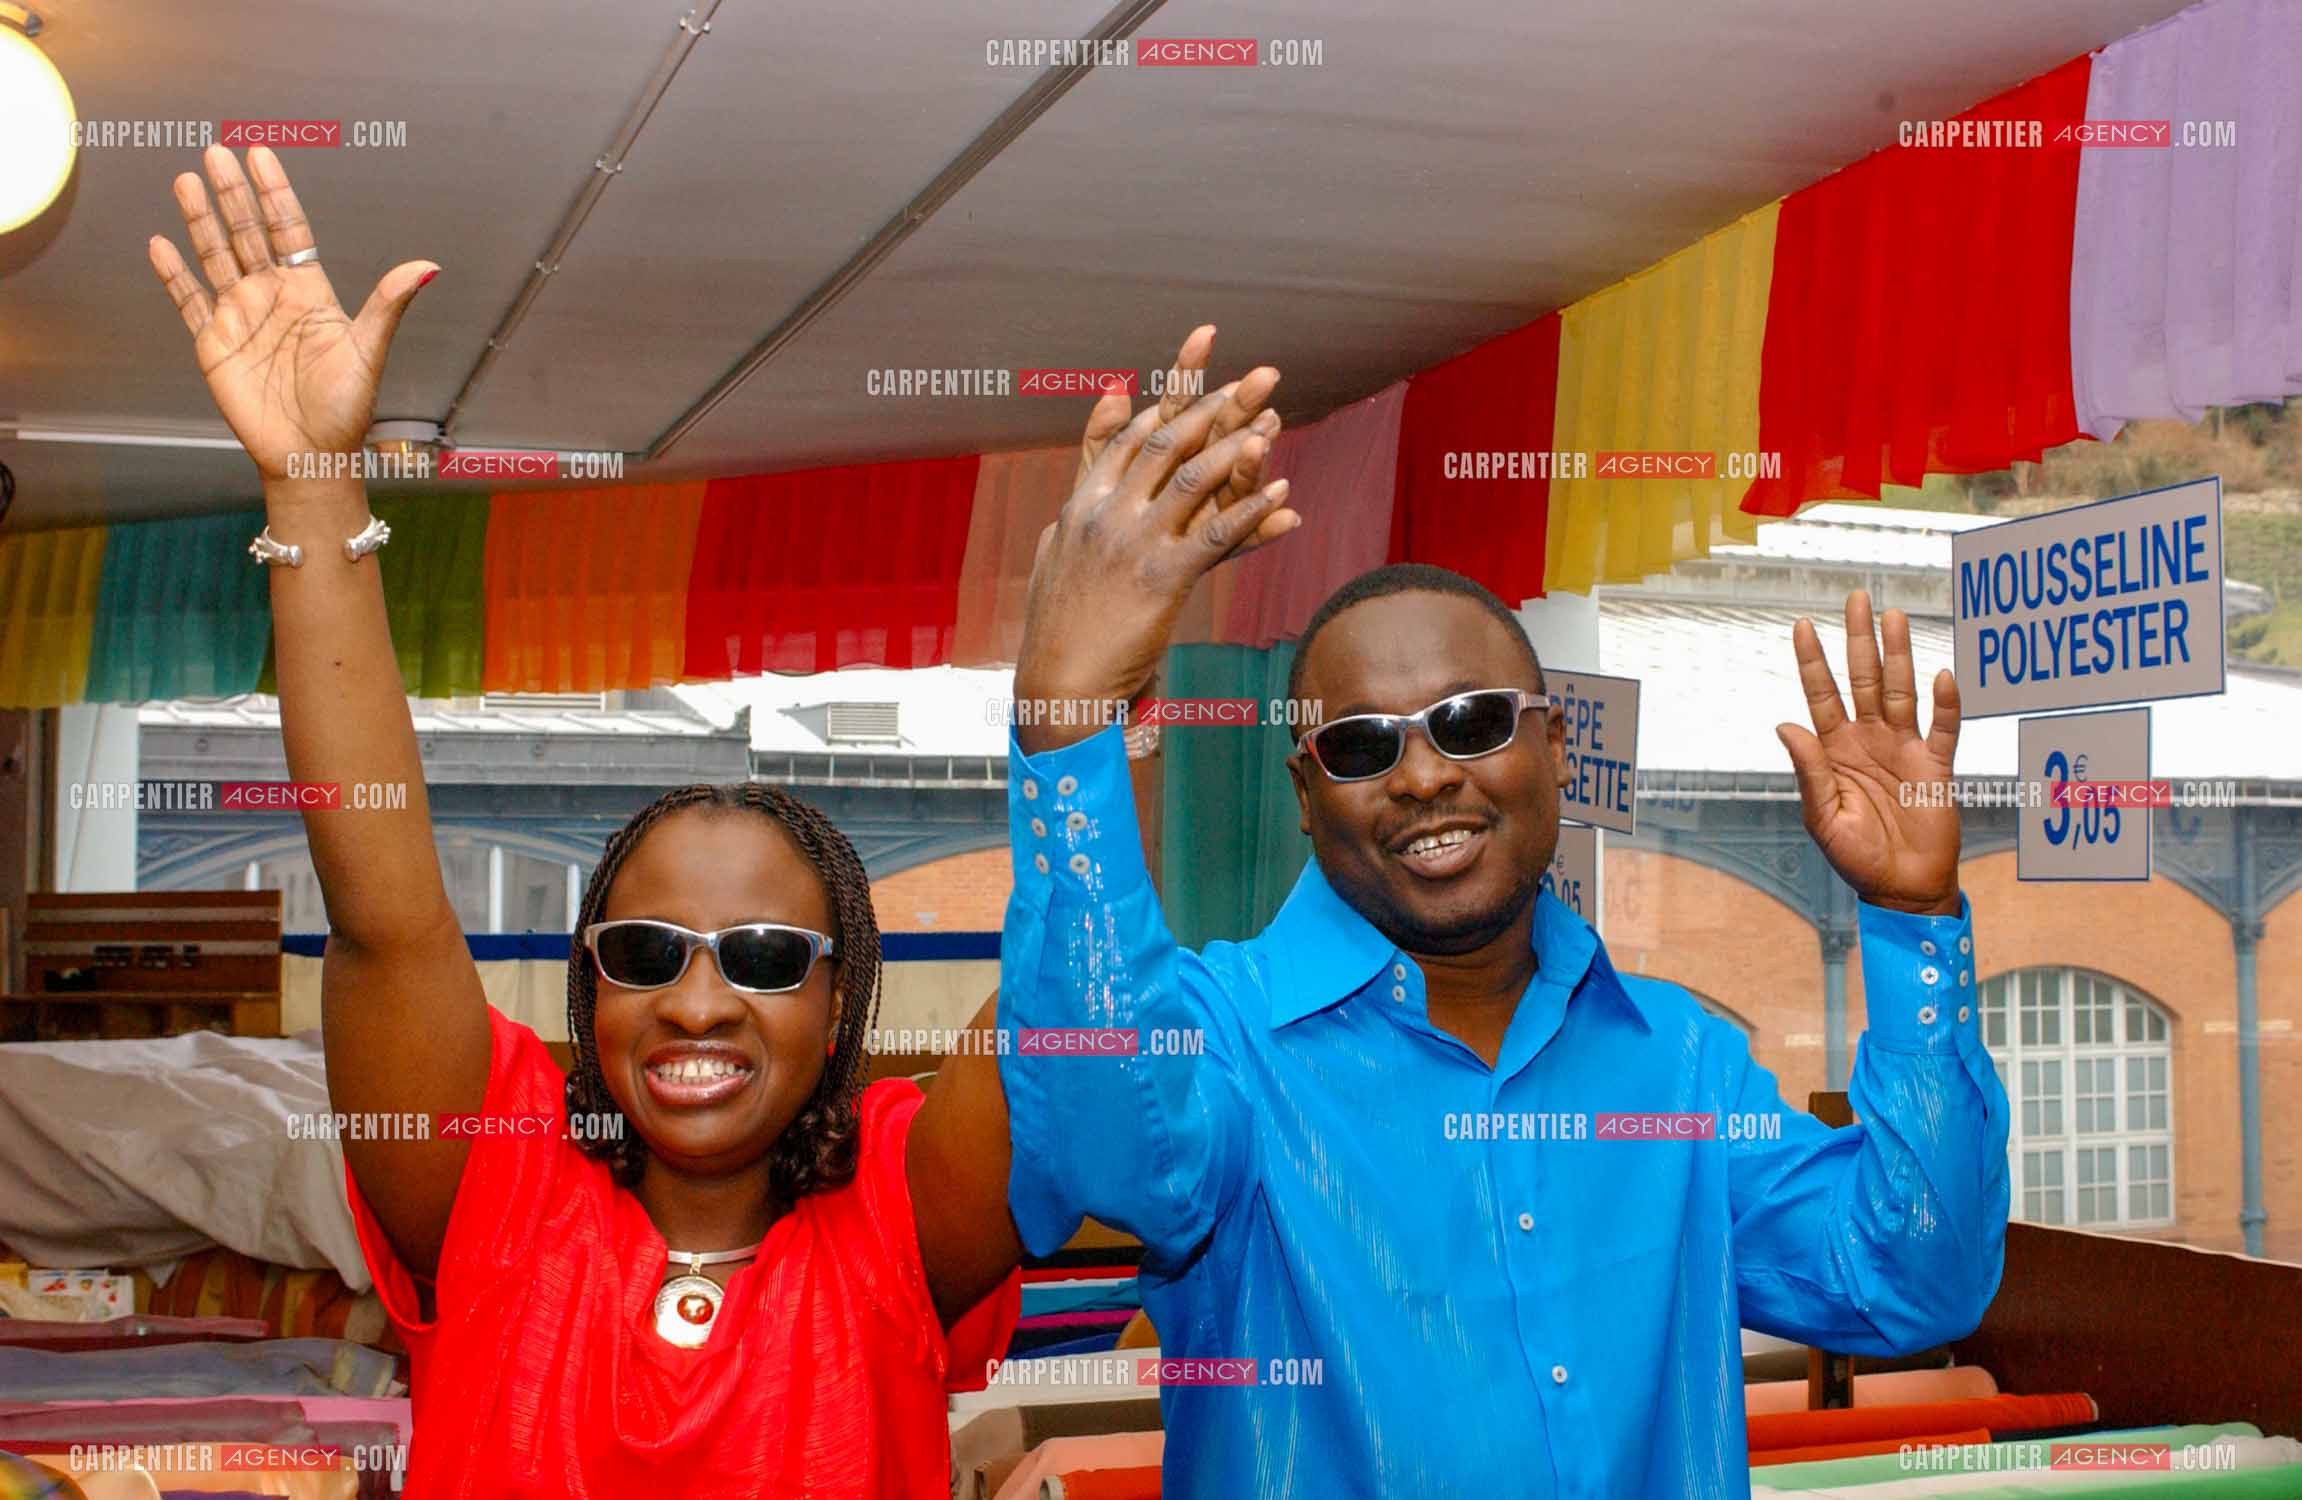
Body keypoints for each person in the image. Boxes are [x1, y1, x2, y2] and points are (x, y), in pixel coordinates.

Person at [142, 144, 1046, 1498]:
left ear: (840, 998)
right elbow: (387, 915)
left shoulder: (901, 1222)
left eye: (759, 958)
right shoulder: (491, 1186)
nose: (698, 1001)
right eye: (644, 954)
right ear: (588, 984)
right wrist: (312, 488)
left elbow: (1059, 1011)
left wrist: (1099, 700)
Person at [998, 341, 2011, 1498]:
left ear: (1556, 746)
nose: (1424, 777)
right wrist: (1065, 724)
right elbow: (1103, 1153)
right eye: (1362, 745)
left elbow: (1910, 1279)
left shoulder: (1677, 1066)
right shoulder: (1223, 1045)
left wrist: (1914, 916)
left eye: (1472, 722)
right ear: (1304, 792)